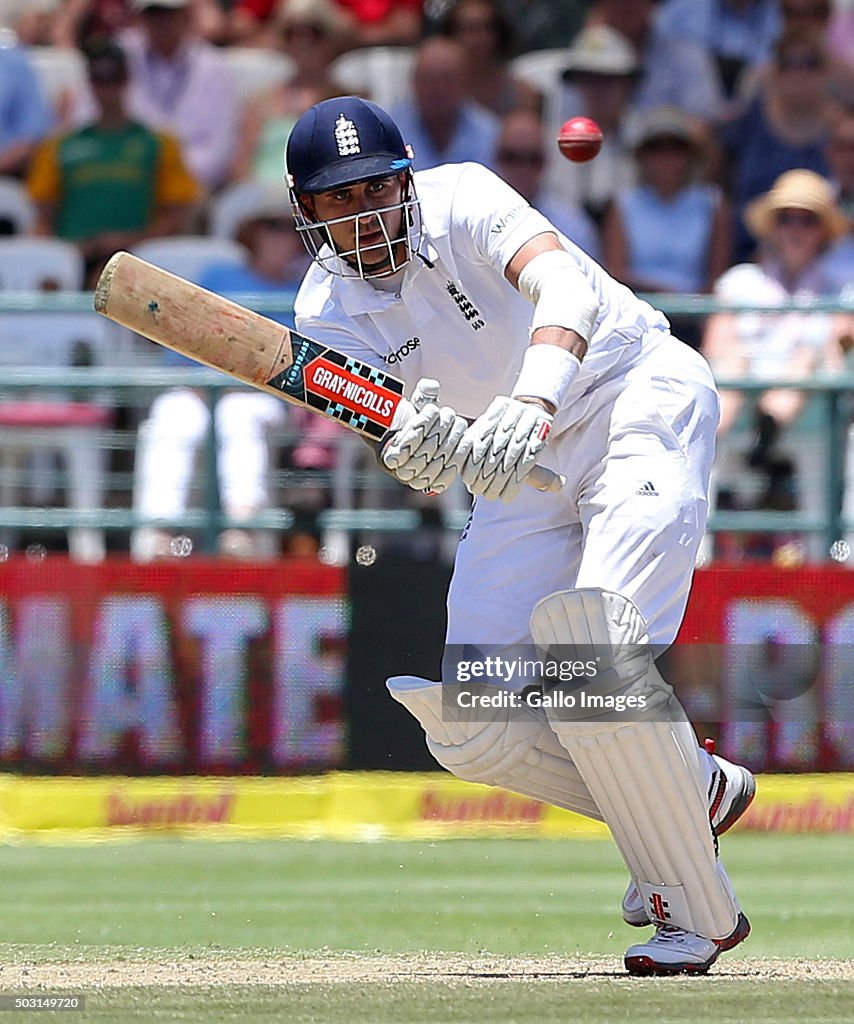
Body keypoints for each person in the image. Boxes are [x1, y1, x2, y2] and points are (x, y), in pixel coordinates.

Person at [284, 94, 756, 975]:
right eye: (340, 200)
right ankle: (696, 791)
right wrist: (414, 448)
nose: (365, 212)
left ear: (407, 180)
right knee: (474, 722)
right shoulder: (324, 313)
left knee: (591, 657)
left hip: (631, 396)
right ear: (307, 211)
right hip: (510, 473)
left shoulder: (463, 194)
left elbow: (566, 284)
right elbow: (391, 427)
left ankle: (692, 912)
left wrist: (532, 401)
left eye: (377, 189)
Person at [131, 187, 309, 561]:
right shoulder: (217, 276)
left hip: (264, 398)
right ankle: (158, 537)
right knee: (172, 416)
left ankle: (241, 532)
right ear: (252, 233)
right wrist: (203, 385)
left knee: (238, 416)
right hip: (199, 387)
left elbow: (302, 371)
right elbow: (180, 349)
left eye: (292, 229)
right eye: (273, 227)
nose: (284, 238)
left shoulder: (307, 292)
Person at [702, 169, 848, 561]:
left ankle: (769, 432)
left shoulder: (843, 286)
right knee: (728, 368)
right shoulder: (740, 282)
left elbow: (841, 352)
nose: (796, 229)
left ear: (822, 231)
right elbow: (714, 348)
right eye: (787, 218)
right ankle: (699, 561)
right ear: (773, 226)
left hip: (815, 416)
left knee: (808, 358)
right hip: (739, 405)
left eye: (808, 219)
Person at [26, 38, 201, 287]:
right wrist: (68, 251)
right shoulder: (60, 146)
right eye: (99, 79)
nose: (107, 89)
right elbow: (43, 216)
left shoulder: (159, 144)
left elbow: (177, 218)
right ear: (89, 83)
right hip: (75, 258)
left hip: (140, 258)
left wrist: (126, 241)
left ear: (127, 79)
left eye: (114, 78)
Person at [601, 105, 730, 348]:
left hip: (695, 321)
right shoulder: (623, 204)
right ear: (642, 156)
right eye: (656, 148)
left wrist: (689, 305)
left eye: (675, 147)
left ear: (690, 156)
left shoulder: (712, 203)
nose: (665, 157)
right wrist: (664, 293)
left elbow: (717, 275)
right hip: (636, 316)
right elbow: (615, 273)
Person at [719, 26, 834, 264]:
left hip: (826, 262)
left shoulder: (843, 134)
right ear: (773, 71)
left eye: (809, 63)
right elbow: (723, 190)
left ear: (825, 72)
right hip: (744, 255)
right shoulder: (748, 121)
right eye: (788, 63)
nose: (799, 72)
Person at [229, 0, 351, 185]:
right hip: (262, 199)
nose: (303, 40)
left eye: (314, 31)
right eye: (292, 33)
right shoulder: (261, 100)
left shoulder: (347, 101)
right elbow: (240, 166)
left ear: (331, 38)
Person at [494, 109, 600, 261]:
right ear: (496, 158)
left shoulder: (573, 225)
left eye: (533, 159)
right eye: (511, 157)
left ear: (546, 161)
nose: (522, 169)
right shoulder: (474, 219)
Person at [389, 36, 500, 172]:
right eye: (427, 80)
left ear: (464, 82)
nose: (436, 90)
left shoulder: (489, 133)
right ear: (413, 82)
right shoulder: (390, 131)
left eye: (446, 80)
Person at [436, 0, 542, 117]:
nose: (476, 38)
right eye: (467, 28)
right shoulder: (431, 90)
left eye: (485, 28)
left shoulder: (522, 94)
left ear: (499, 34)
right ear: (450, 36)